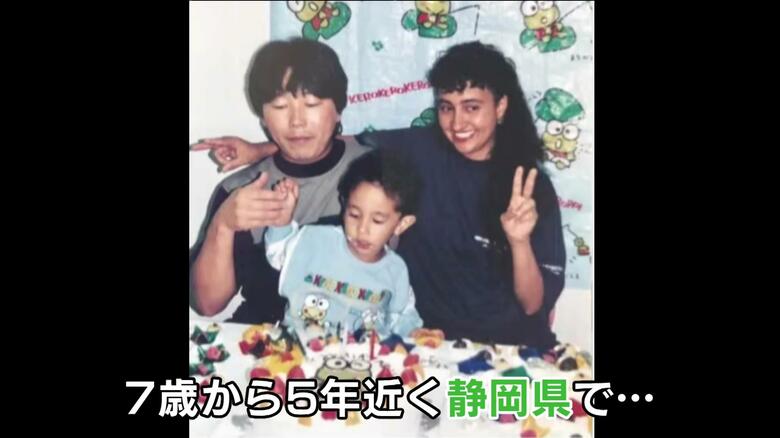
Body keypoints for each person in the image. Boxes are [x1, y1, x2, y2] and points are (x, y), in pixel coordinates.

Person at [193, 41, 566, 349]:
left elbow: (535, 304)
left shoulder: (524, 187)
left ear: (500, 107)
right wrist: (254, 163)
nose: (458, 123)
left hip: (482, 346)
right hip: (297, 344)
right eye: (446, 108)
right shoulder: (242, 188)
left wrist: (518, 242)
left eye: (311, 105)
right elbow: (206, 305)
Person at [265, 150, 423, 340]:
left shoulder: (395, 271)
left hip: (362, 354)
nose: (362, 229)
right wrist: (281, 220)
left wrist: (415, 333)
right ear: (344, 205)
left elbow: (402, 318)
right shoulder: (315, 241)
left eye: (377, 220)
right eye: (354, 215)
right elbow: (278, 255)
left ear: (401, 224)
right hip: (298, 348)